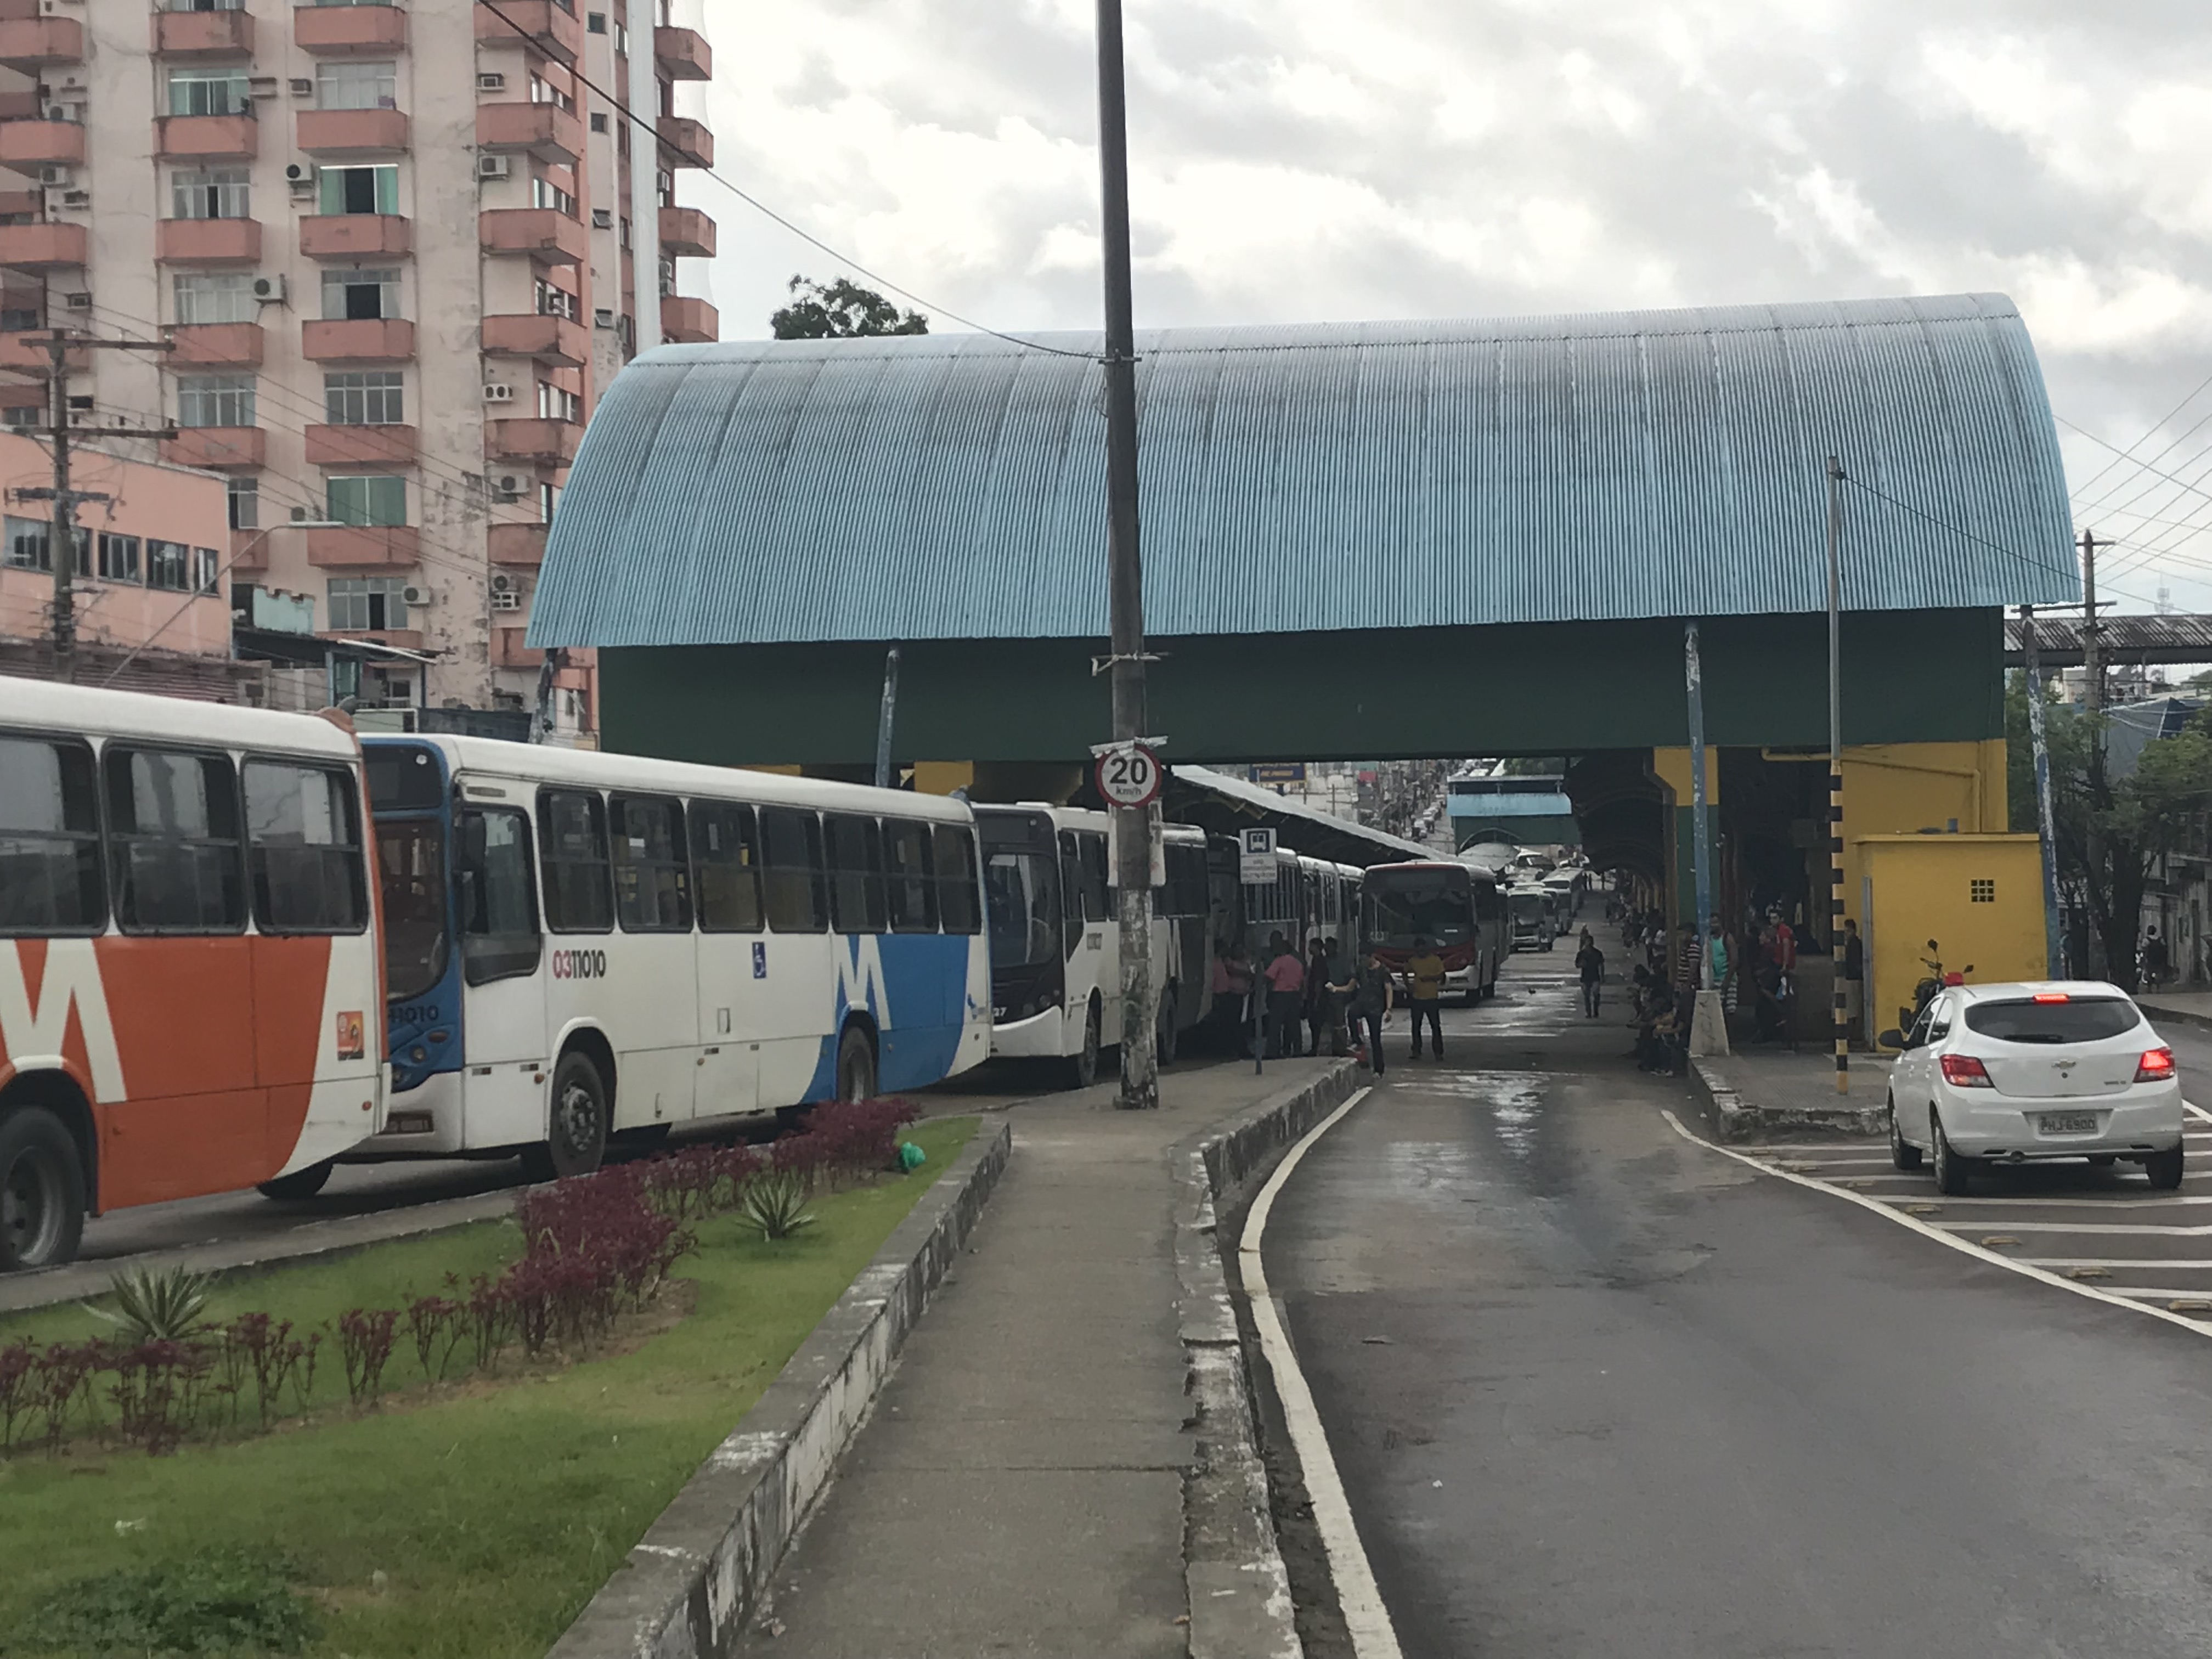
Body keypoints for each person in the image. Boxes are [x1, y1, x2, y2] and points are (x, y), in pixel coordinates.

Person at [1336, 949, 1395, 1075]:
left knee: (1376, 1039)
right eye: (1362, 959)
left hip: (1375, 1008)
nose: (1364, 962)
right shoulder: (1360, 969)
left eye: (1365, 959)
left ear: (1372, 957)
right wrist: (1336, 989)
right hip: (1361, 1003)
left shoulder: (1383, 970)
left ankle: (1379, 1069)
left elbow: (1389, 989)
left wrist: (1389, 1009)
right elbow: (1350, 986)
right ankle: (1357, 1040)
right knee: (1352, 1013)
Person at [1262, 933, 1306, 1058]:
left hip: (1280, 995)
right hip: (1294, 995)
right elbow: (1302, 980)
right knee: (1294, 1025)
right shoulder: (1298, 963)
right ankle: (1297, 1050)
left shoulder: (1279, 961)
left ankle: (1273, 1052)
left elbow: (1269, 976)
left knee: (1275, 1025)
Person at [1404, 935, 1446, 1059]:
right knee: (1416, 1026)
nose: (1421, 953)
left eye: (1423, 950)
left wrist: (1430, 978)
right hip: (1417, 998)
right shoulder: (1413, 961)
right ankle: (1416, 1050)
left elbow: (1441, 976)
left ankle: (1438, 1052)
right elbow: (1405, 972)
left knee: (1435, 1026)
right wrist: (1409, 986)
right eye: (1418, 950)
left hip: (1432, 998)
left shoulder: (1435, 960)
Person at [1210, 941, 1251, 1049]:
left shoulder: (1245, 962)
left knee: (1236, 1021)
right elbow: (1231, 970)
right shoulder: (1226, 961)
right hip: (1227, 995)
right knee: (1230, 1023)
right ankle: (1231, 1047)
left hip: (1239, 995)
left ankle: (1234, 1047)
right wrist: (1247, 975)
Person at [1305, 935, 1339, 1056]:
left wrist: (1316, 999)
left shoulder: (1318, 961)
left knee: (1316, 1022)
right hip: (1316, 995)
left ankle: (1316, 1048)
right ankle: (1316, 1047)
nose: (1309, 948)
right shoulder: (1317, 960)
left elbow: (1318, 981)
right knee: (1315, 1023)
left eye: (1311, 946)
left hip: (1318, 996)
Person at [1842, 919, 1865, 1046]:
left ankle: (1849, 1036)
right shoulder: (1849, 943)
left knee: (1851, 1009)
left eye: (1848, 931)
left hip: (1852, 979)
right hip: (1850, 978)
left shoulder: (1854, 944)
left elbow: (1855, 964)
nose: (1846, 933)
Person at [1575, 928, 1604, 1018]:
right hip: (1585, 977)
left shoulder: (1598, 953)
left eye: (1590, 942)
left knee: (1596, 995)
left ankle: (1595, 1011)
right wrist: (1581, 964)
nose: (1589, 944)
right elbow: (1577, 965)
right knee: (1586, 996)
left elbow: (1601, 965)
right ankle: (1588, 1012)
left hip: (1595, 976)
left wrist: (1602, 977)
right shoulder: (1581, 954)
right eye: (1587, 942)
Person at [2143, 926, 2170, 992]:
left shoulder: (2146, 940)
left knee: (2149, 973)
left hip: (2150, 959)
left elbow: (2143, 948)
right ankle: (2158, 988)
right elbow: (2164, 947)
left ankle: (2149, 988)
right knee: (2159, 973)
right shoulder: (2160, 939)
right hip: (2159, 959)